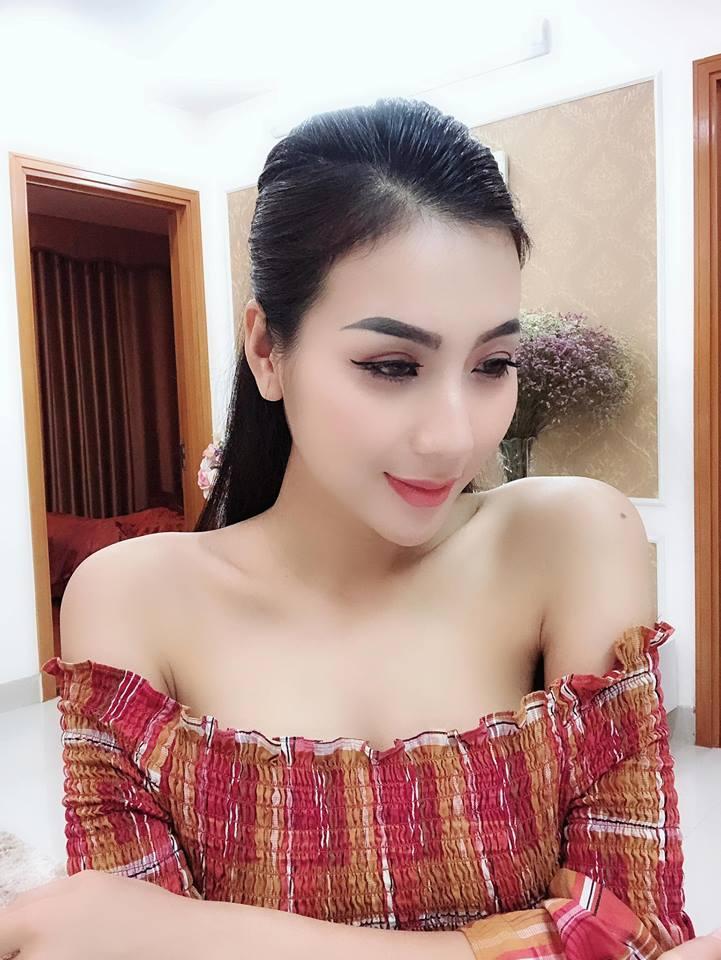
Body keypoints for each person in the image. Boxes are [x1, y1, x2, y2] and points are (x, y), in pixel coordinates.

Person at [36, 97, 703, 958]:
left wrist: (196, 935)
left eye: (492, 363)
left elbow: (631, 934)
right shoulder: (132, 600)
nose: (454, 436)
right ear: (267, 351)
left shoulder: (569, 539)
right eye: (390, 365)